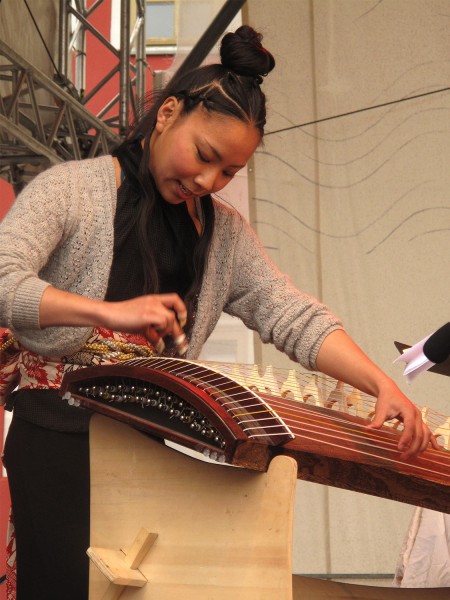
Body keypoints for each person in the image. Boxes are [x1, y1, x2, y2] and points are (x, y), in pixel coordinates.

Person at [0, 25, 438, 600]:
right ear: (168, 114)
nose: (208, 181)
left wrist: (384, 383)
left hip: (145, 450)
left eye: (228, 172)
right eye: (205, 156)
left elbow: (292, 314)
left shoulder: (222, 235)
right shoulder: (73, 191)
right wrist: (110, 312)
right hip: (56, 439)